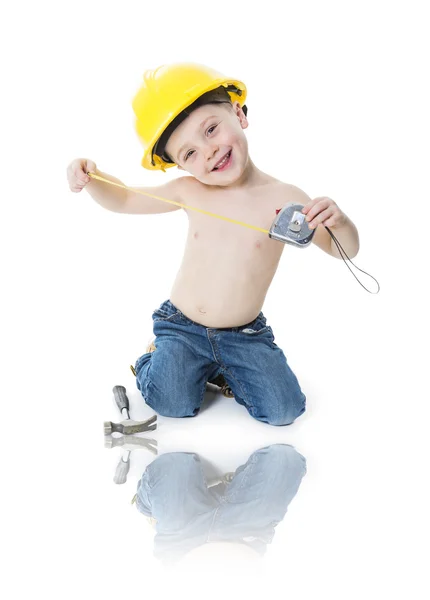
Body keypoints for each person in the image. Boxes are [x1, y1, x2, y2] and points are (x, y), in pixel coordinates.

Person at [66, 63, 360, 425]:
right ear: (180, 167)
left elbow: (343, 249)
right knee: (171, 403)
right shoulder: (191, 191)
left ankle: (221, 370)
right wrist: (92, 178)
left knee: (285, 410)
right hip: (183, 327)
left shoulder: (286, 199)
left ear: (239, 114)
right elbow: (125, 200)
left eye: (211, 129)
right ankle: (153, 360)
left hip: (245, 335)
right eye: (189, 154)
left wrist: (340, 222)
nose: (207, 152)